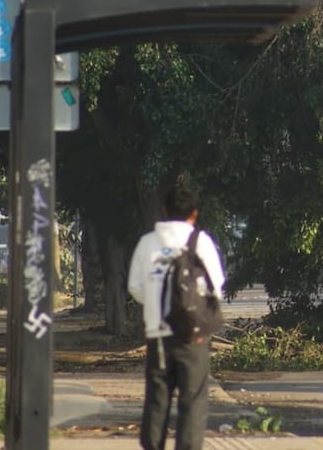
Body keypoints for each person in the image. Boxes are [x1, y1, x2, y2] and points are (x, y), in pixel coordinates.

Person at [127, 183, 226, 450]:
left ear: (164, 210)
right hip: (192, 335)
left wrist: (157, 305)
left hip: (158, 334)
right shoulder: (201, 242)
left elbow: (135, 286)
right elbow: (216, 286)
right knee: (193, 399)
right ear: (194, 213)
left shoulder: (147, 243)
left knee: (158, 397)